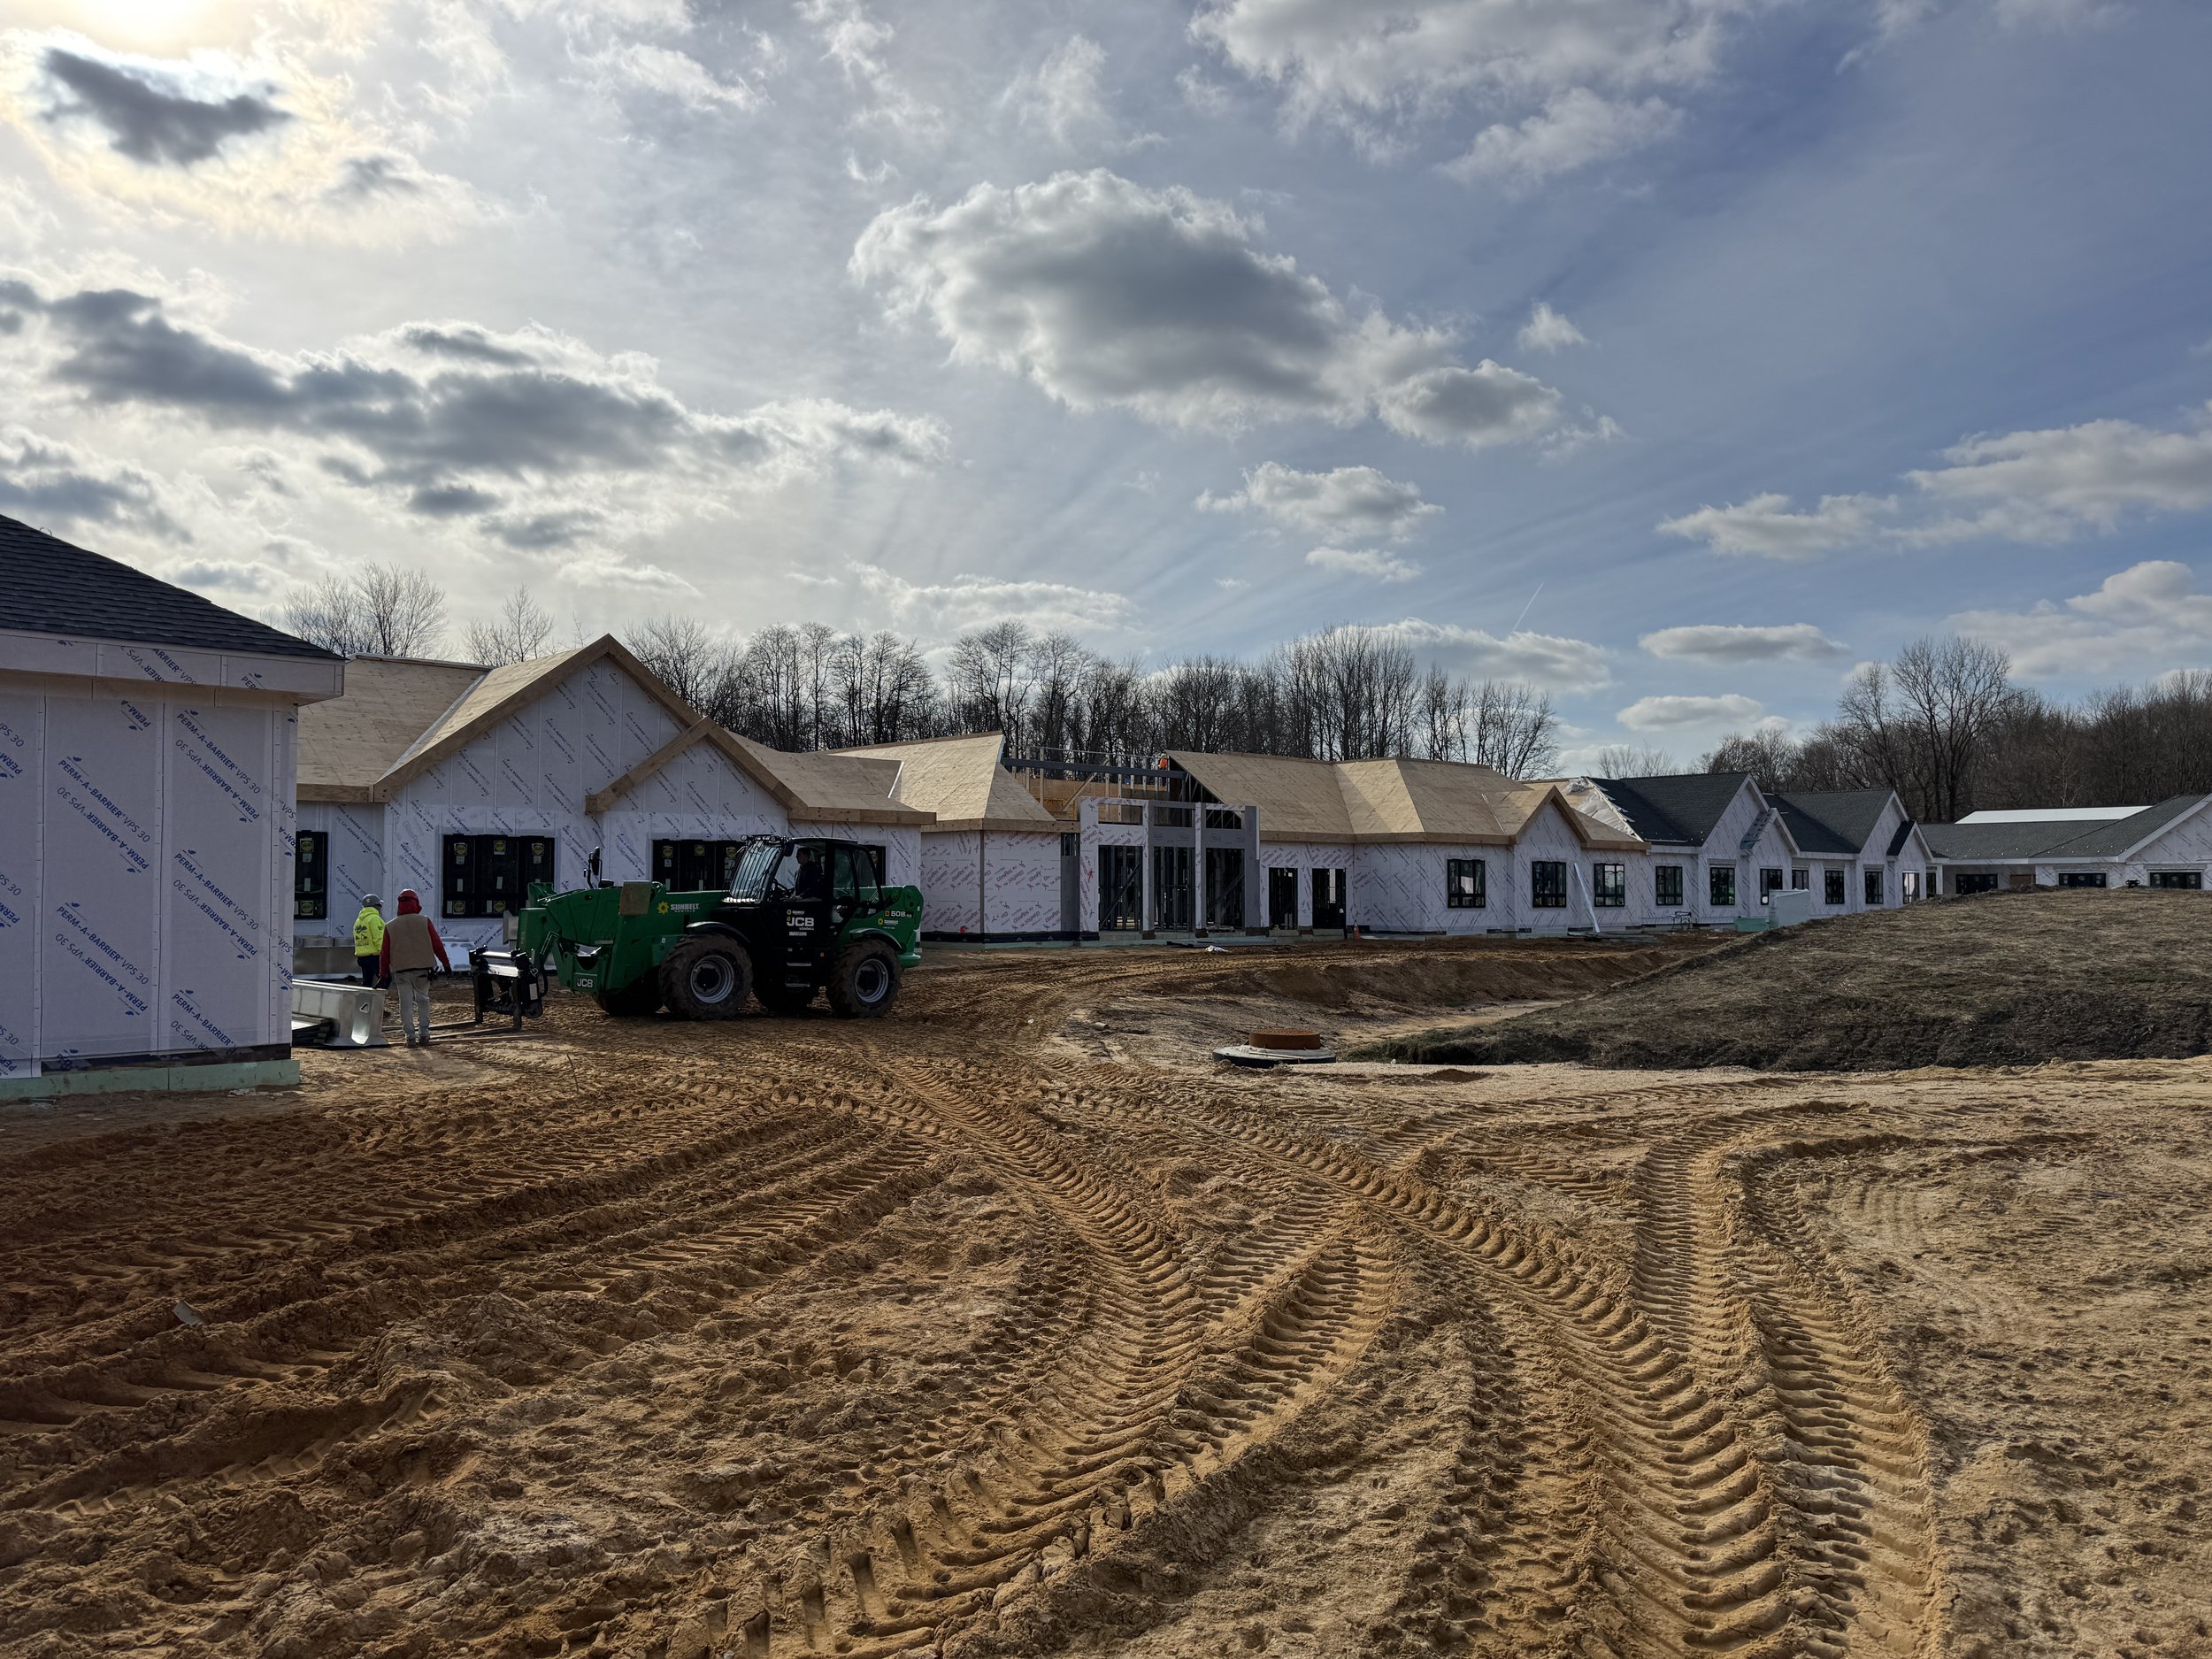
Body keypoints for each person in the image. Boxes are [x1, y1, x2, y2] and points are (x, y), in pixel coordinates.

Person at [379, 888, 451, 1047]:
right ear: (416, 903)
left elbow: (384, 953)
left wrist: (383, 974)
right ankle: (424, 1034)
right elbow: (437, 944)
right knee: (423, 1000)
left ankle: (409, 1037)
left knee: (405, 1003)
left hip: (401, 971)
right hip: (423, 971)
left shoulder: (390, 926)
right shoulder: (424, 921)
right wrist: (446, 964)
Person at [351, 895, 385, 987]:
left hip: (362, 956)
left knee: (367, 982)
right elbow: (379, 938)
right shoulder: (374, 918)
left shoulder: (359, 920)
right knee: (385, 979)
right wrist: (384, 953)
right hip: (374, 956)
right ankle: (377, 998)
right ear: (376, 906)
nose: (381, 908)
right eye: (380, 905)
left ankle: (365, 999)